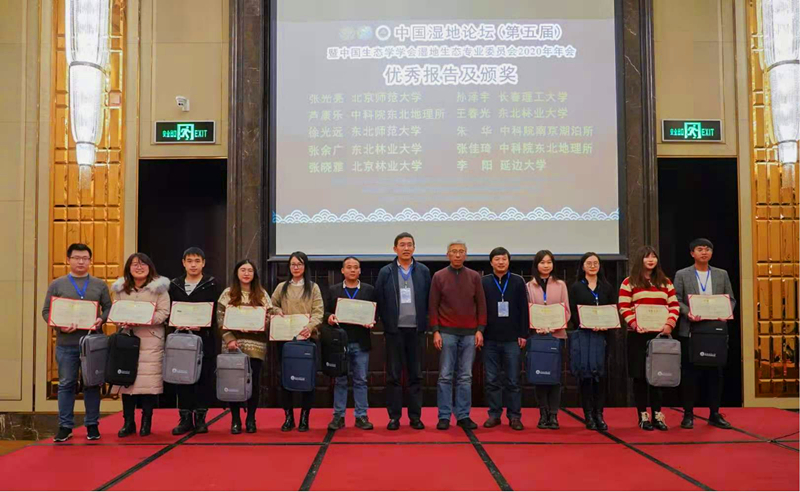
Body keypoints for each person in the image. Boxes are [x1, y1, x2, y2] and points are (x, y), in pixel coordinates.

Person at [42, 243, 112, 442]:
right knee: (66, 384)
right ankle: (65, 426)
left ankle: (92, 424)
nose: (81, 262)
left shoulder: (99, 284)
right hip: (66, 343)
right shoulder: (57, 284)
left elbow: (108, 308)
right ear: (68, 260)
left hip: (92, 344)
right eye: (76, 258)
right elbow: (46, 312)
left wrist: (101, 319)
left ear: (90, 261)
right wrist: (60, 326)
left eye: (85, 258)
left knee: (92, 383)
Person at [673, 238, 736, 430]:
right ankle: (688, 415)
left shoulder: (721, 274)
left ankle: (714, 414)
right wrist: (688, 313)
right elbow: (675, 299)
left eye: (708, 249)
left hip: (715, 331)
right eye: (700, 249)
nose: (704, 252)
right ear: (692, 253)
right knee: (690, 374)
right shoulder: (682, 274)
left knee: (715, 374)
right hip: (691, 330)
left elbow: (731, 299)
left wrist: (726, 312)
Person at [374, 232, 431, 431]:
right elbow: (379, 299)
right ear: (395, 248)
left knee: (416, 375)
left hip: (416, 331)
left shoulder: (423, 271)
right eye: (402, 245)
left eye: (409, 245)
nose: (406, 248)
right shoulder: (386, 272)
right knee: (394, 375)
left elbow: (429, 299)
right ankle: (394, 417)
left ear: (414, 248)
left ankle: (415, 417)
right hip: (394, 331)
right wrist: (383, 322)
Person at [618, 246, 679, 431]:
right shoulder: (629, 282)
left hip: (659, 337)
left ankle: (658, 415)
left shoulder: (666, 282)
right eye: (647, 257)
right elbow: (623, 306)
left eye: (654, 257)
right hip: (638, 335)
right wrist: (635, 323)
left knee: (658, 376)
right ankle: (643, 415)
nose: (651, 260)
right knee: (639, 377)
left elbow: (674, 306)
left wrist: (669, 325)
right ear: (640, 260)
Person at [111, 253, 171, 438]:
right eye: (135, 264)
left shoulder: (159, 289)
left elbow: (164, 312)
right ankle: (128, 422)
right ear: (128, 268)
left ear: (150, 267)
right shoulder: (120, 289)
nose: (139, 267)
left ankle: (146, 422)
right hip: (127, 339)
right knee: (125, 380)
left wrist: (146, 319)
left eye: (143, 264)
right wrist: (122, 321)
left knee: (149, 382)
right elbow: (115, 310)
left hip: (151, 340)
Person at [430, 240, 487, 431]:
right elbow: (433, 306)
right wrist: (435, 331)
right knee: (445, 376)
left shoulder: (474, 276)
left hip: (470, 334)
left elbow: (481, 305)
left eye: (461, 251)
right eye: (453, 251)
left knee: (465, 376)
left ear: (466, 254)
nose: (457, 254)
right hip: (446, 333)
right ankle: (444, 416)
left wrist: (480, 329)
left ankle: (463, 415)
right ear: (447, 254)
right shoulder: (439, 276)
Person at [167, 247, 222, 435]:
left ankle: (200, 418)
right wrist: (175, 323)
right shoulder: (175, 285)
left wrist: (203, 325)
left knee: (203, 378)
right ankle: (184, 419)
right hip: (181, 340)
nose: (193, 265)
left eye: (197, 261)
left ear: (203, 263)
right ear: (183, 263)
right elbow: (168, 311)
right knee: (182, 378)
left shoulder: (212, 284)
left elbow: (217, 312)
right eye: (189, 261)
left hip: (204, 339)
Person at [271, 252, 324, 432]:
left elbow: (319, 312)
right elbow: (271, 306)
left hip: (307, 340)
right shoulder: (281, 287)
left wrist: (310, 327)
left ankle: (304, 418)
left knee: (307, 379)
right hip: (285, 341)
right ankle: (289, 417)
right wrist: (277, 311)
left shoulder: (313, 288)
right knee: (286, 378)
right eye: (293, 264)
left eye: (299, 264)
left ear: (305, 267)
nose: (296, 267)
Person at [219, 259, 273, 434]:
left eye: (250, 270)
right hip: (233, 345)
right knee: (233, 382)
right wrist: (229, 339)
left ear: (254, 274)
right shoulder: (227, 294)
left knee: (253, 383)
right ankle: (235, 419)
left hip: (255, 345)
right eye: (243, 270)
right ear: (237, 272)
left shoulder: (262, 294)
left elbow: (269, 317)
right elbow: (219, 319)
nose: (246, 273)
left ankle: (251, 418)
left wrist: (257, 325)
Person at [324, 256, 376, 430]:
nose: (352, 270)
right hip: (339, 344)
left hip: (361, 342)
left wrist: (372, 320)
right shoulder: (334, 290)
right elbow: (325, 312)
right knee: (340, 380)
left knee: (361, 380)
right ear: (342, 270)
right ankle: (338, 416)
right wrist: (329, 317)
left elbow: (376, 311)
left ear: (360, 271)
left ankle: (361, 416)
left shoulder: (369, 290)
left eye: (355, 267)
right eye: (349, 267)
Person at [481, 247, 528, 431]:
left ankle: (514, 416)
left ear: (509, 261)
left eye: (504, 259)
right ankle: (494, 415)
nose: (501, 262)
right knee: (492, 380)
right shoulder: (484, 281)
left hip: (512, 339)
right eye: (497, 259)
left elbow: (523, 309)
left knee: (513, 380)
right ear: (491, 262)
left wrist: (523, 334)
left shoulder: (517, 281)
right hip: (489, 339)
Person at [568, 252, 616, 431]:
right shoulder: (576, 287)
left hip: (603, 337)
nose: (593, 266)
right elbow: (573, 311)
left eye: (596, 263)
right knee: (586, 376)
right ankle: (588, 414)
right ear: (582, 266)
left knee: (600, 376)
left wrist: (605, 325)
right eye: (589, 263)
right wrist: (585, 323)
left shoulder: (607, 287)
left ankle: (599, 414)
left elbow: (613, 309)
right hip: (584, 336)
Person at [526, 250, 570, 430]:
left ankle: (554, 415)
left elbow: (566, 310)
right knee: (540, 376)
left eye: (549, 262)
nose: (546, 265)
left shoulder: (561, 285)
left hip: (556, 337)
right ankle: (543, 414)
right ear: (536, 265)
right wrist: (536, 326)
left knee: (554, 377)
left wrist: (554, 327)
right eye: (542, 262)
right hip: (537, 337)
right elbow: (527, 310)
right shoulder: (529, 286)